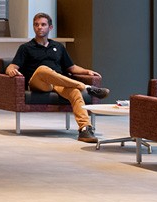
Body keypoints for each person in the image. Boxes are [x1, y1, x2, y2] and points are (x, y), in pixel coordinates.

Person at [6, 11, 109, 142]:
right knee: (43, 69)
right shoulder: (26, 48)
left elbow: (71, 67)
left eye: (43, 24)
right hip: (38, 83)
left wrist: (87, 71)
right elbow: (13, 66)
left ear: (50, 27)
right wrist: (10, 69)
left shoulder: (58, 47)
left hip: (58, 83)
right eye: (36, 24)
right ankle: (87, 87)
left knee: (75, 92)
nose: (39, 27)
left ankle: (85, 129)